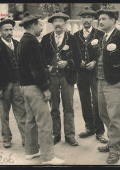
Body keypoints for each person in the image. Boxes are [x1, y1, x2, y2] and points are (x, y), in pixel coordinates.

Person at [16, 12, 65, 165]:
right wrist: (45, 88)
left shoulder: (23, 40)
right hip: (35, 88)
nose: (42, 27)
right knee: (45, 122)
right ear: (33, 26)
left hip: (25, 87)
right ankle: (48, 157)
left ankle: (31, 151)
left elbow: (29, 66)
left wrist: (45, 69)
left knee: (30, 120)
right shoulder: (32, 42)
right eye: (40, 24)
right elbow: (35, 69)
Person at [95, 5, 120, 164]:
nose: (100, 21)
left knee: (115, 117)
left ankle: (115, 150)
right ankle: (112, 141)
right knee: (103, 113)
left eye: (104, 19)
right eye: (99, 19)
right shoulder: (102, 36)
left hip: (116, 83)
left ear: (113, 20)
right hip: (101, 81)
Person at [41, 12, 81, 146]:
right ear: (52, 24)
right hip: (52, 78)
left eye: (61, 21)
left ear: (65, 23)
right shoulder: (46, 39)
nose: (58, 24)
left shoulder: (72, 39)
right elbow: (42, 59)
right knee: (54, 108)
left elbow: (78, 58)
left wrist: (68, 63)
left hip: (67, 77)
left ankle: (70, 136)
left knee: (69, 108)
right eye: (55, 21)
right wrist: (47, 67)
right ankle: (55, 134)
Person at [0, 18, 26, 148]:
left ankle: (26, 140)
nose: (9, 32)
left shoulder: (18, 44)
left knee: (21, 113)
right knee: (4, 114)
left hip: (18, 85)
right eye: (6, 30)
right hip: (3, 86)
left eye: (11, 29)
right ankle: (6, 138)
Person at [74, 6, 108, 144]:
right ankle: (89, 127)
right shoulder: (75, 35)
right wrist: (79, 61)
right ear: (81, 19)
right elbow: (73, 53)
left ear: (93, 19)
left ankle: (100, 132)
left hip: (95, 72)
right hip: (81, 73)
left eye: (89, 17)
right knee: (84, 100)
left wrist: (95, 61)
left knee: (97, 101)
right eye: (84, 17)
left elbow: (103, 52)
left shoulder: (100, 34)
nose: (86, 20)